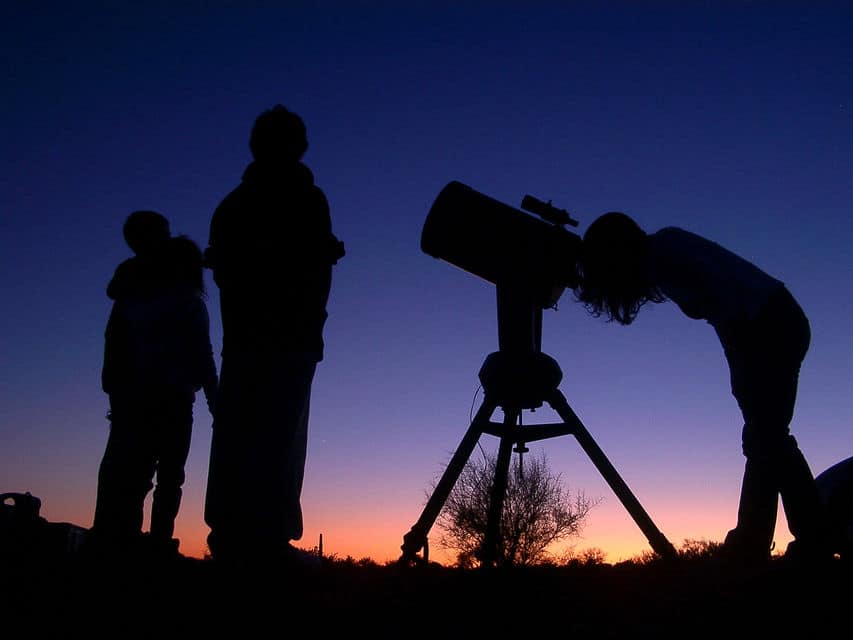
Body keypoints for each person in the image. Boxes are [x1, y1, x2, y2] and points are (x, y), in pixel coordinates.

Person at [573, 211, 832, 565]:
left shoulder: (664, 252)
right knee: (768, 438)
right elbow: (723, 308)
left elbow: (726, 305)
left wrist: (741, 369)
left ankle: (762, 543)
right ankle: (796, 539)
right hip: (774, 324)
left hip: (771, 327)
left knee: (765, 437)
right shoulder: (663, 255)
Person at [203, 105, 344, 566]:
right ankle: (268, 541)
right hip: (289, 338)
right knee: (279, 437)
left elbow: (226, 270)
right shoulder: (307, 200)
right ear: (298, 146)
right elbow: (307, 269)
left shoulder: (232, 205)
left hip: (246, 339)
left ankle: (230, 536)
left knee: (238, 436)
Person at [92, 220, 218, 559]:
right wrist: (214, 398)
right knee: (169, 477)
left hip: (135, 395)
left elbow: (115, 342)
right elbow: (203, 354)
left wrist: (115, 387)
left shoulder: (136, 301)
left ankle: (123, 541)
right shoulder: (190, 303)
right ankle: (159, 542)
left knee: (134, 475)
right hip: (173, 398)